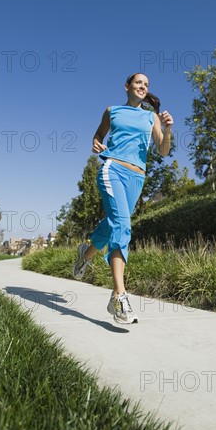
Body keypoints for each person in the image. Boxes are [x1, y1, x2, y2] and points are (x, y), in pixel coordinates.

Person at [72, 73, 173, 324]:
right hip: (112, 169)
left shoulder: (151, 117)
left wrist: (168, 130)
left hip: (137, 178)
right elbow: (98, 135)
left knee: (113, 223)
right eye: (139, 83)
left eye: (146, 85)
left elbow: (163, 150)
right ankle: (119, 295)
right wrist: (97, 143)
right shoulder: (112, 111)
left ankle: (85, 255)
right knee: (123, 226)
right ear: (127, 86)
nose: (143, 87)